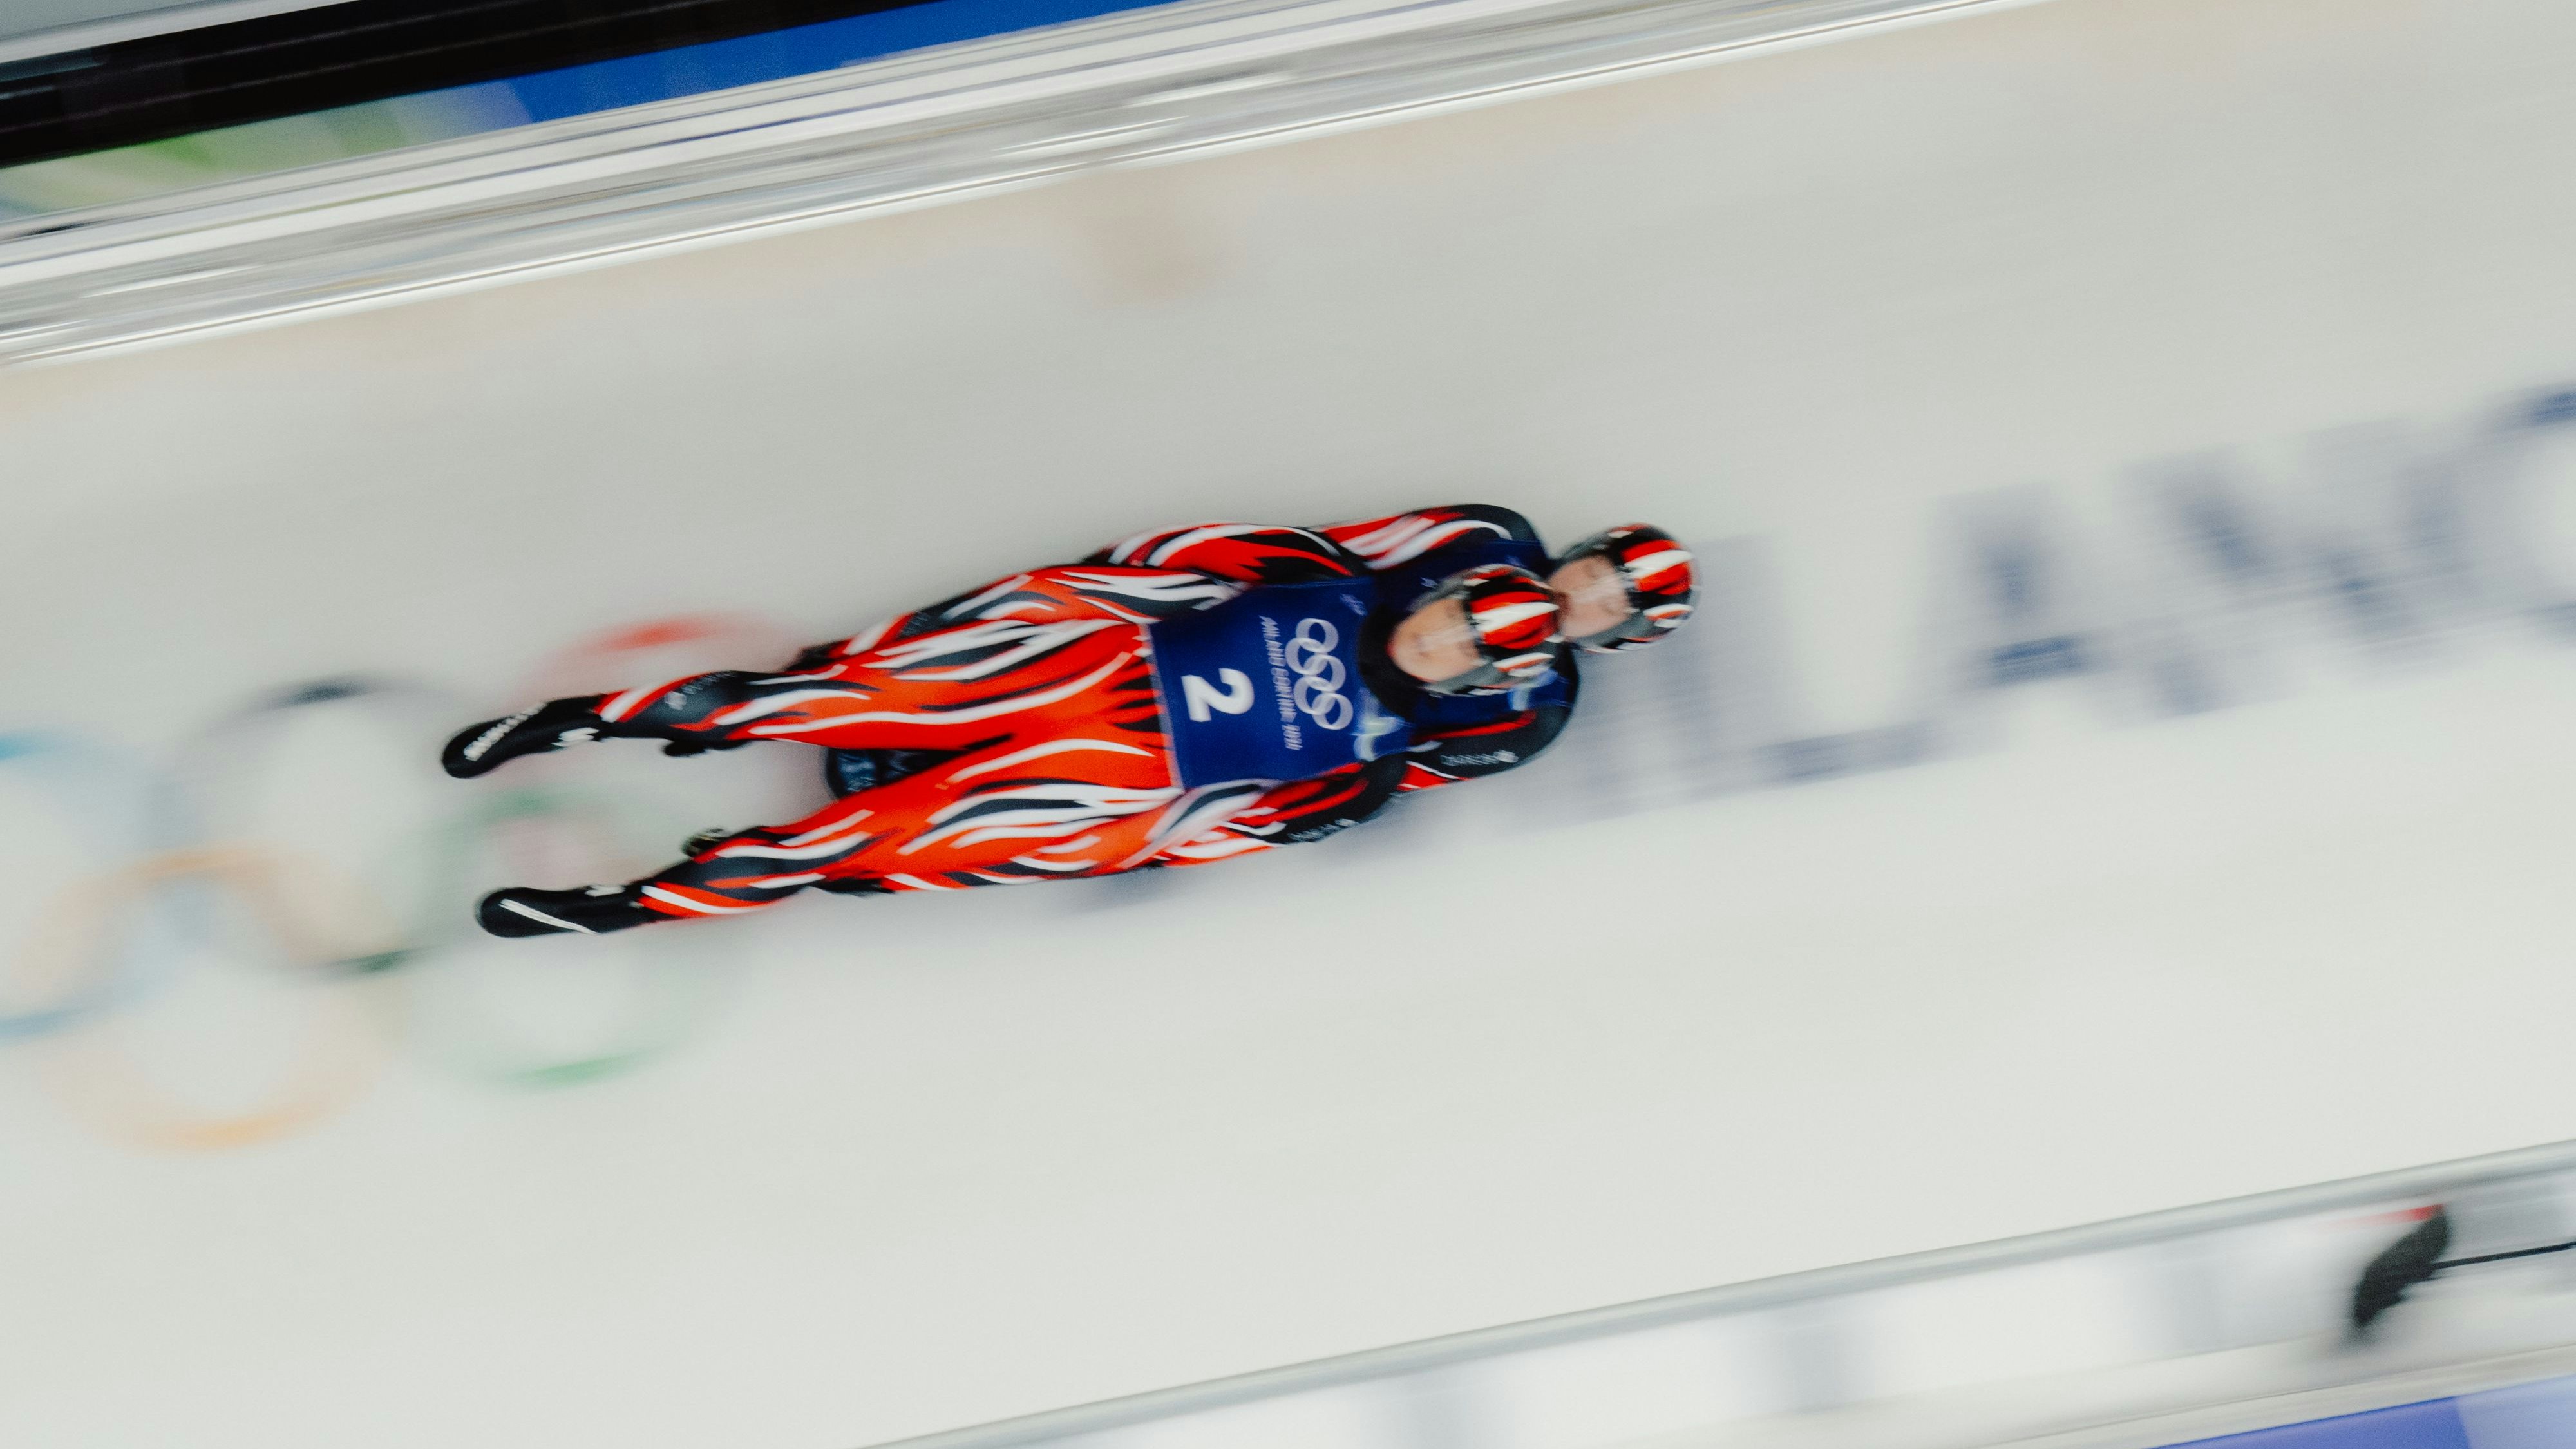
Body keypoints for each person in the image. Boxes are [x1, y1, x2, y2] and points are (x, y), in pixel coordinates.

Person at [444, 507, 1696, 936]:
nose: (1443, 639)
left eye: (1466, 648)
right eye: (1456, 616)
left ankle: (616, 906)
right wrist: (1050, 601)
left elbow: (1252, 827)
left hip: (1112, 768)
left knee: (868, 846)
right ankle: (571, 723)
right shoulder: (1360, 571)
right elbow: (1197, 560)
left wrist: (1130, 836)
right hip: (1078, 672)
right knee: (805, 698)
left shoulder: (1415, 750)